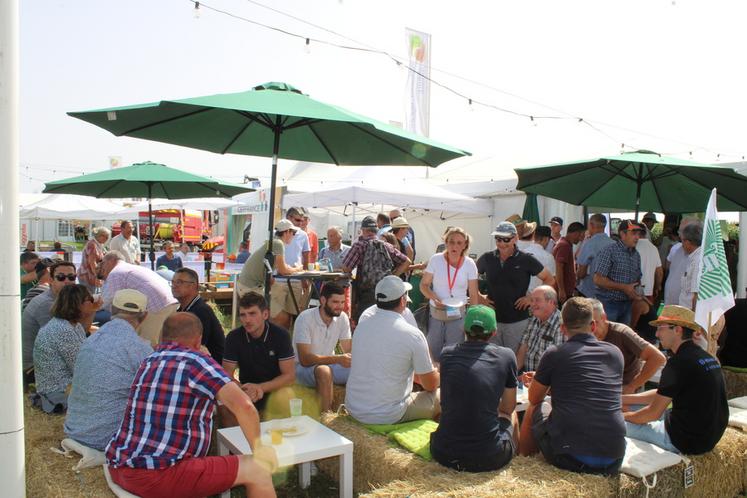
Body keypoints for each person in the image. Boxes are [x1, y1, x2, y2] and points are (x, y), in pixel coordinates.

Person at [105, 313, 277, 498]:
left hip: (120, 466)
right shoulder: (196, 361)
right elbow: (245, 407)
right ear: (198, 341)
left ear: (163, 336)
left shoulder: (149, 361)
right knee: (259, 469)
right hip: (158, 473)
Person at [519, 298, 626, 475]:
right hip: (614, 458)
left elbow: (534, 398)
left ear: (562, 328)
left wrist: (540, 382)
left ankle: (523, 462)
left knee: (536, 406)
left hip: (570, 457)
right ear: (592, 326)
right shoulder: (615, 353)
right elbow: (588, 387)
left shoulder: (554, 354)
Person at [623, 305, 728, 454]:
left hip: (683, 440)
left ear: (677, 330)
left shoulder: (678, 363)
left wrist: (621, 416)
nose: (657, 334)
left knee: (610, 423)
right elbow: (663, 394)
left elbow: (653, 414)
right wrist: (623, 399)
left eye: (661, 328)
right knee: (632, 410)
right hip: (707, 437)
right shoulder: (705, 356)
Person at [430, 305, 519, 473]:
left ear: (464, 328)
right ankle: (517, 461)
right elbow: (508, 407)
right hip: (489, 457)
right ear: (494, 332)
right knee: (511, 413)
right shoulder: (507, 356)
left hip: (443, 453)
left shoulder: (447, 354)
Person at [64, 289, 152, 450]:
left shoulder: (90, 341)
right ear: (145, 316)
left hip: (75, 431)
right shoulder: (140, 349)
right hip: (108, 438)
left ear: (112, 310)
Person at [345, 276, 440, 424]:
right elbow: (430, 385)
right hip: (389, 415)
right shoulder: (413, 335)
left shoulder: (361, 327)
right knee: (446, 395)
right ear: (403, 301)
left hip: (354, 408)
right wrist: (439, 372)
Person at [477, 221, 554, 352]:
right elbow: (469, 279)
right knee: (492, 359)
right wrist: (479, 297)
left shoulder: (526, 259)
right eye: (498, 239)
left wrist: (531, 298)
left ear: (516, 238)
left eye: (506, 239)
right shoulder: (487, 258)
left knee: (513, 360)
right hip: (491, 320)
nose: (502, 243)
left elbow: (549, 279)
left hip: (517, 321)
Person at [222, 292, 295, 422]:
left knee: (287, 396)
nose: (247, 320)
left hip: (274, 389)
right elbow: (226, 375)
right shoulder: (233, 337)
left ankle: (284, 439)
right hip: (246, 390)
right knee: (225, 404)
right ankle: (235, 441)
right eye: (243, 315)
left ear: (265, 314)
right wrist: (243, 389)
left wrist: (260, 388)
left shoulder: (281, 335)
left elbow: (289, 376)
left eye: (252, 313)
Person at [32, 284, 98, 413]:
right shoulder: (64, 331)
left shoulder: (71, 325)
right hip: (58, 393)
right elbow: (82, 369)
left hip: (63, 388)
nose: (92, 302)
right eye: (89, 300)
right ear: (78, 304)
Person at [419, 227, 479, 362]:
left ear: (465, 245)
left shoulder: (470, 264)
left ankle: (450, 379)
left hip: (458, 313)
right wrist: (433, 296)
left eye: (459, 243)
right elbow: (423, 285)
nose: (455, 246)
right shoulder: (436, 259)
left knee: (454, 351)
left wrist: (473, 318)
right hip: (436, 312)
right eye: (451, 242)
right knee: (433, 350)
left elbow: (474, 295)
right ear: (446, 243)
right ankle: (434, 380)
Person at [293, 283, 351, 412]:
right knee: (324, 371)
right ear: (323, 300)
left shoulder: (343, 318)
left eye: (342, 302)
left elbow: (348, 350)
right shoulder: (305, 318)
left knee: (361, 368)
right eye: (335, 302)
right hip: (301, 370)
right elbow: (305, 360)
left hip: (328, 365)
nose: (340, 307)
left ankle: (360, 411)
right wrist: (337, 359)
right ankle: (326, 417)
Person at [99, 251, 178, 346]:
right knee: (162, 343)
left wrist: (93, 308)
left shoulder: (115, 272)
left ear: (111, 261)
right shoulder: (131, 268)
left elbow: (108, 300)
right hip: (170, 301)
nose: (101, 267)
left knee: (145, 345)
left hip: (155, 306)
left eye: (102, 263)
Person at [342, 215, 411, 323]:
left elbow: (346, 268)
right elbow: (407, 261)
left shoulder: (359, 246)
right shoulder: (385, 245)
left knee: (364, 322)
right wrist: (393, 276)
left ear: (363, 230)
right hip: (386, 291)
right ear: (376, 230)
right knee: (385, 321)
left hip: (366, 293)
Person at [590, 299, 666, 394]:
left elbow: (657, 358)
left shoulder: (622, 333)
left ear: (603, 317)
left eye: (595, 323)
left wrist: (632, 386)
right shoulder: (582, 335)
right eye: (587, 325)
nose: (592, 329)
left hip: (625, 395)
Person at [22, 260, 78, 372]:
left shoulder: (59, 299)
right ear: (51, 280)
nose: (67, 281)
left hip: (47, 360)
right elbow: (64, 342)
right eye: (61, 277)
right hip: (33, 368)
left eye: (71, 277)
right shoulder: (46, 304)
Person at [593, 219, 644, 325]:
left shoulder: (636, 255)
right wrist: (624, 287)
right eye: (634, 233)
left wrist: (637, 290)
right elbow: (598, 279)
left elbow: (637, 278)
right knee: (606, 336)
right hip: (609, 303)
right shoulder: (609, 251)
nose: (637, 237)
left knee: (621, 338)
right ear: (623, 234)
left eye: (638, 234)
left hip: (627, 304)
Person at [237, 219, 302, 299]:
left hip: (247, 284)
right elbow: (283, 270)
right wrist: (297, 269)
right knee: (278, 301)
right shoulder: (278, 243)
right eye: (293, 233)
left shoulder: (274, 241)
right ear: (287, 231)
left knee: (279, 296)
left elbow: (278, 269)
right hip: (250, 286)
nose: (294, 236)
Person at [172, 267, 225, 362]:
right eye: (173, 282)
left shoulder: (201, 311)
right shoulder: (183, 309)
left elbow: (196, 348)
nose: (174, 286)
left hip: (209, 368)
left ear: (194, 285)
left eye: (179, 282)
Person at [272, 207, 311, 329]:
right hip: (278, 280)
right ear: (288, 218)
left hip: (296, 281)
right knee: (277, 315)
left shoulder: (303, 235)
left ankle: (286, 342)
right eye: (298, 220)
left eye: (302, 220)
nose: (301, 223)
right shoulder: (275, 236)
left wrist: (305, 277)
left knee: (291, 314)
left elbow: (306, 256)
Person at [516, 286, 563, 373]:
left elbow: (558, 362)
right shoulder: (534, 318)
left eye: (537, 300)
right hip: (527, 376)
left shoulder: (561, 325)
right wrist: (513, 373)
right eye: (532, 300)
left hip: (546, 380)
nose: (533, 304)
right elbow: (523, 347)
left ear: (551, 302)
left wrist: (537, 380)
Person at [576, 213, 615, 299]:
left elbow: (581, 273)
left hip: (590, 292)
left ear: (591, 225)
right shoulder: (614, 244)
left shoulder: (589, 243)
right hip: (609, 292)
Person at [631, 227, 663, 329]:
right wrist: (657, 287)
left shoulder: (632, 246)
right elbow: (659, 272)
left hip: (631, 291)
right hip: (648, 291)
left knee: (634, 322)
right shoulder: (653, 248)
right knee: (647, 323)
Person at [663, 217, 697, 305]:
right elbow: (668, 267)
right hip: (670, 300)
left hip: (686, 306)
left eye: (683, 231)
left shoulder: (699, 255)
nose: (680, 234)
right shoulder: (676, 248)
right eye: (680, 231)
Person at [515, 220, 555, 292]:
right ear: (546, 239)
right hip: (537, 298)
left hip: (520, 296)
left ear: (534, 237)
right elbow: (551, 281)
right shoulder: (549, 257)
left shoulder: (521, 253)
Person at [553, 221, 585, 304]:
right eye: (581, 235)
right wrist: (561, 290)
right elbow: (559, 267)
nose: (581, 239)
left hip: (567, 290)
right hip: (563, 292)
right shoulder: (564, 245)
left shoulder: (566, 244)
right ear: (576, 233)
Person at [678, 221, 704, 310]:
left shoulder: (698, 261)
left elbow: (696, 295)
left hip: (690, 314)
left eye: (682, 241)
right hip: (686, 312)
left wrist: (693, 320)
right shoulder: (695, 257)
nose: (682, 245)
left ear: (688, 242)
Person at [78, 226, 110, 291]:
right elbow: (92, 263)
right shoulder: (92, 244)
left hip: (91, 276)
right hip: (87, 276)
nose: (107, 238)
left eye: (107, 237)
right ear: (99, 235)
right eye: (105, 236)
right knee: (89, 298)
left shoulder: (99, 244)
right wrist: (97, 277)